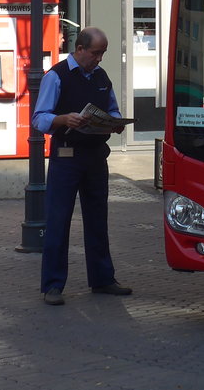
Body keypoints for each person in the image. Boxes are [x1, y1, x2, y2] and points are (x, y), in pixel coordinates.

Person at [33, 26, 131, 306]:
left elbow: (113, 109)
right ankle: (52, 286)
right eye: (96, 53)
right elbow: (39, 118)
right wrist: (64, 120)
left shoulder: (101, 77)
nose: (99, 59)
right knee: (58, 220)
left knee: (98, 218)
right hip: (66, 156)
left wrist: (115, 123)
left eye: (103, 54)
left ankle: (103, 279)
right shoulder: (57, 76)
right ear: (80, 49)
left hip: (95, 156)